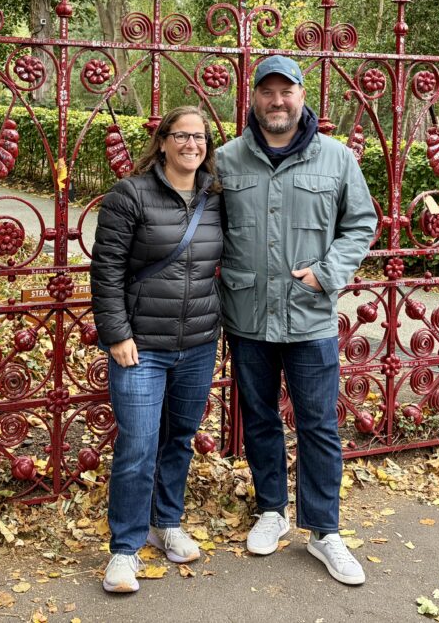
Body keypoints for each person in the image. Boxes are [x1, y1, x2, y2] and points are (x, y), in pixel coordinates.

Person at [216, 55, 378, 586]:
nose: (277, 101)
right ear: (254, 97)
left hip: (310, 319)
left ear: (303, 96)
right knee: (259, 419)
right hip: (247, 317)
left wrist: (327, 273)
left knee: (317, 425)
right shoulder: (225, 161)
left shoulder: (337, 159)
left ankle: (324, 530)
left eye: (287, 91)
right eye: (268, 92)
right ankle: (271, 511)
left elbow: (361, 223)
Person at [90, 106, 224, 594]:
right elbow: (105, 272)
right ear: (163, 141)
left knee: (179, 438)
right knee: (138, 446)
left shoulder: (215, 196)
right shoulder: (131, 195)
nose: (192, 144)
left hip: (198, 343)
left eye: (200, 137)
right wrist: (117, 334)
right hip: (141, 347)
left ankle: (166, 523)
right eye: (182, 136)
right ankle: (125, 549)